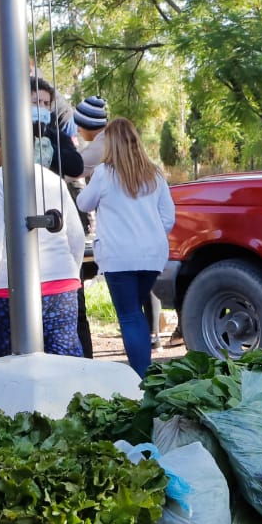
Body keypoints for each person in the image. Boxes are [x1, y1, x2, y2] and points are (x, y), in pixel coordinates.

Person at [0, 117, 86, 362]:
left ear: (0, 145)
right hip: (61, 290)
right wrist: (68, 272)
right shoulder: (53, 179)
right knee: (64, 369)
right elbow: (76, 236)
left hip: (5, 294)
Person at [77, 118, 176, 377]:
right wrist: (151, 235)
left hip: (118, 256)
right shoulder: (154, 173)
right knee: (137, 312)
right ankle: (144, 372)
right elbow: (168, 217)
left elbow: (84, 204)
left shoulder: (103, 173)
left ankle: (140, 376)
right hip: (152, 256)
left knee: (130, 315)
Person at [28, 76, 84, 180]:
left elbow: (77, 167)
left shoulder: (58, 137)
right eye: (36, 102)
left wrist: (50, 150)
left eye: (46, 104)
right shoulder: (8, 134)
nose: (42, 107)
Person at [73, 96, 109, 178]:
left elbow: (67, 174)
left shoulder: (99, 148)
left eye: (79, 125)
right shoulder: (108, 138)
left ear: (89, 125)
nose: (78, 130)